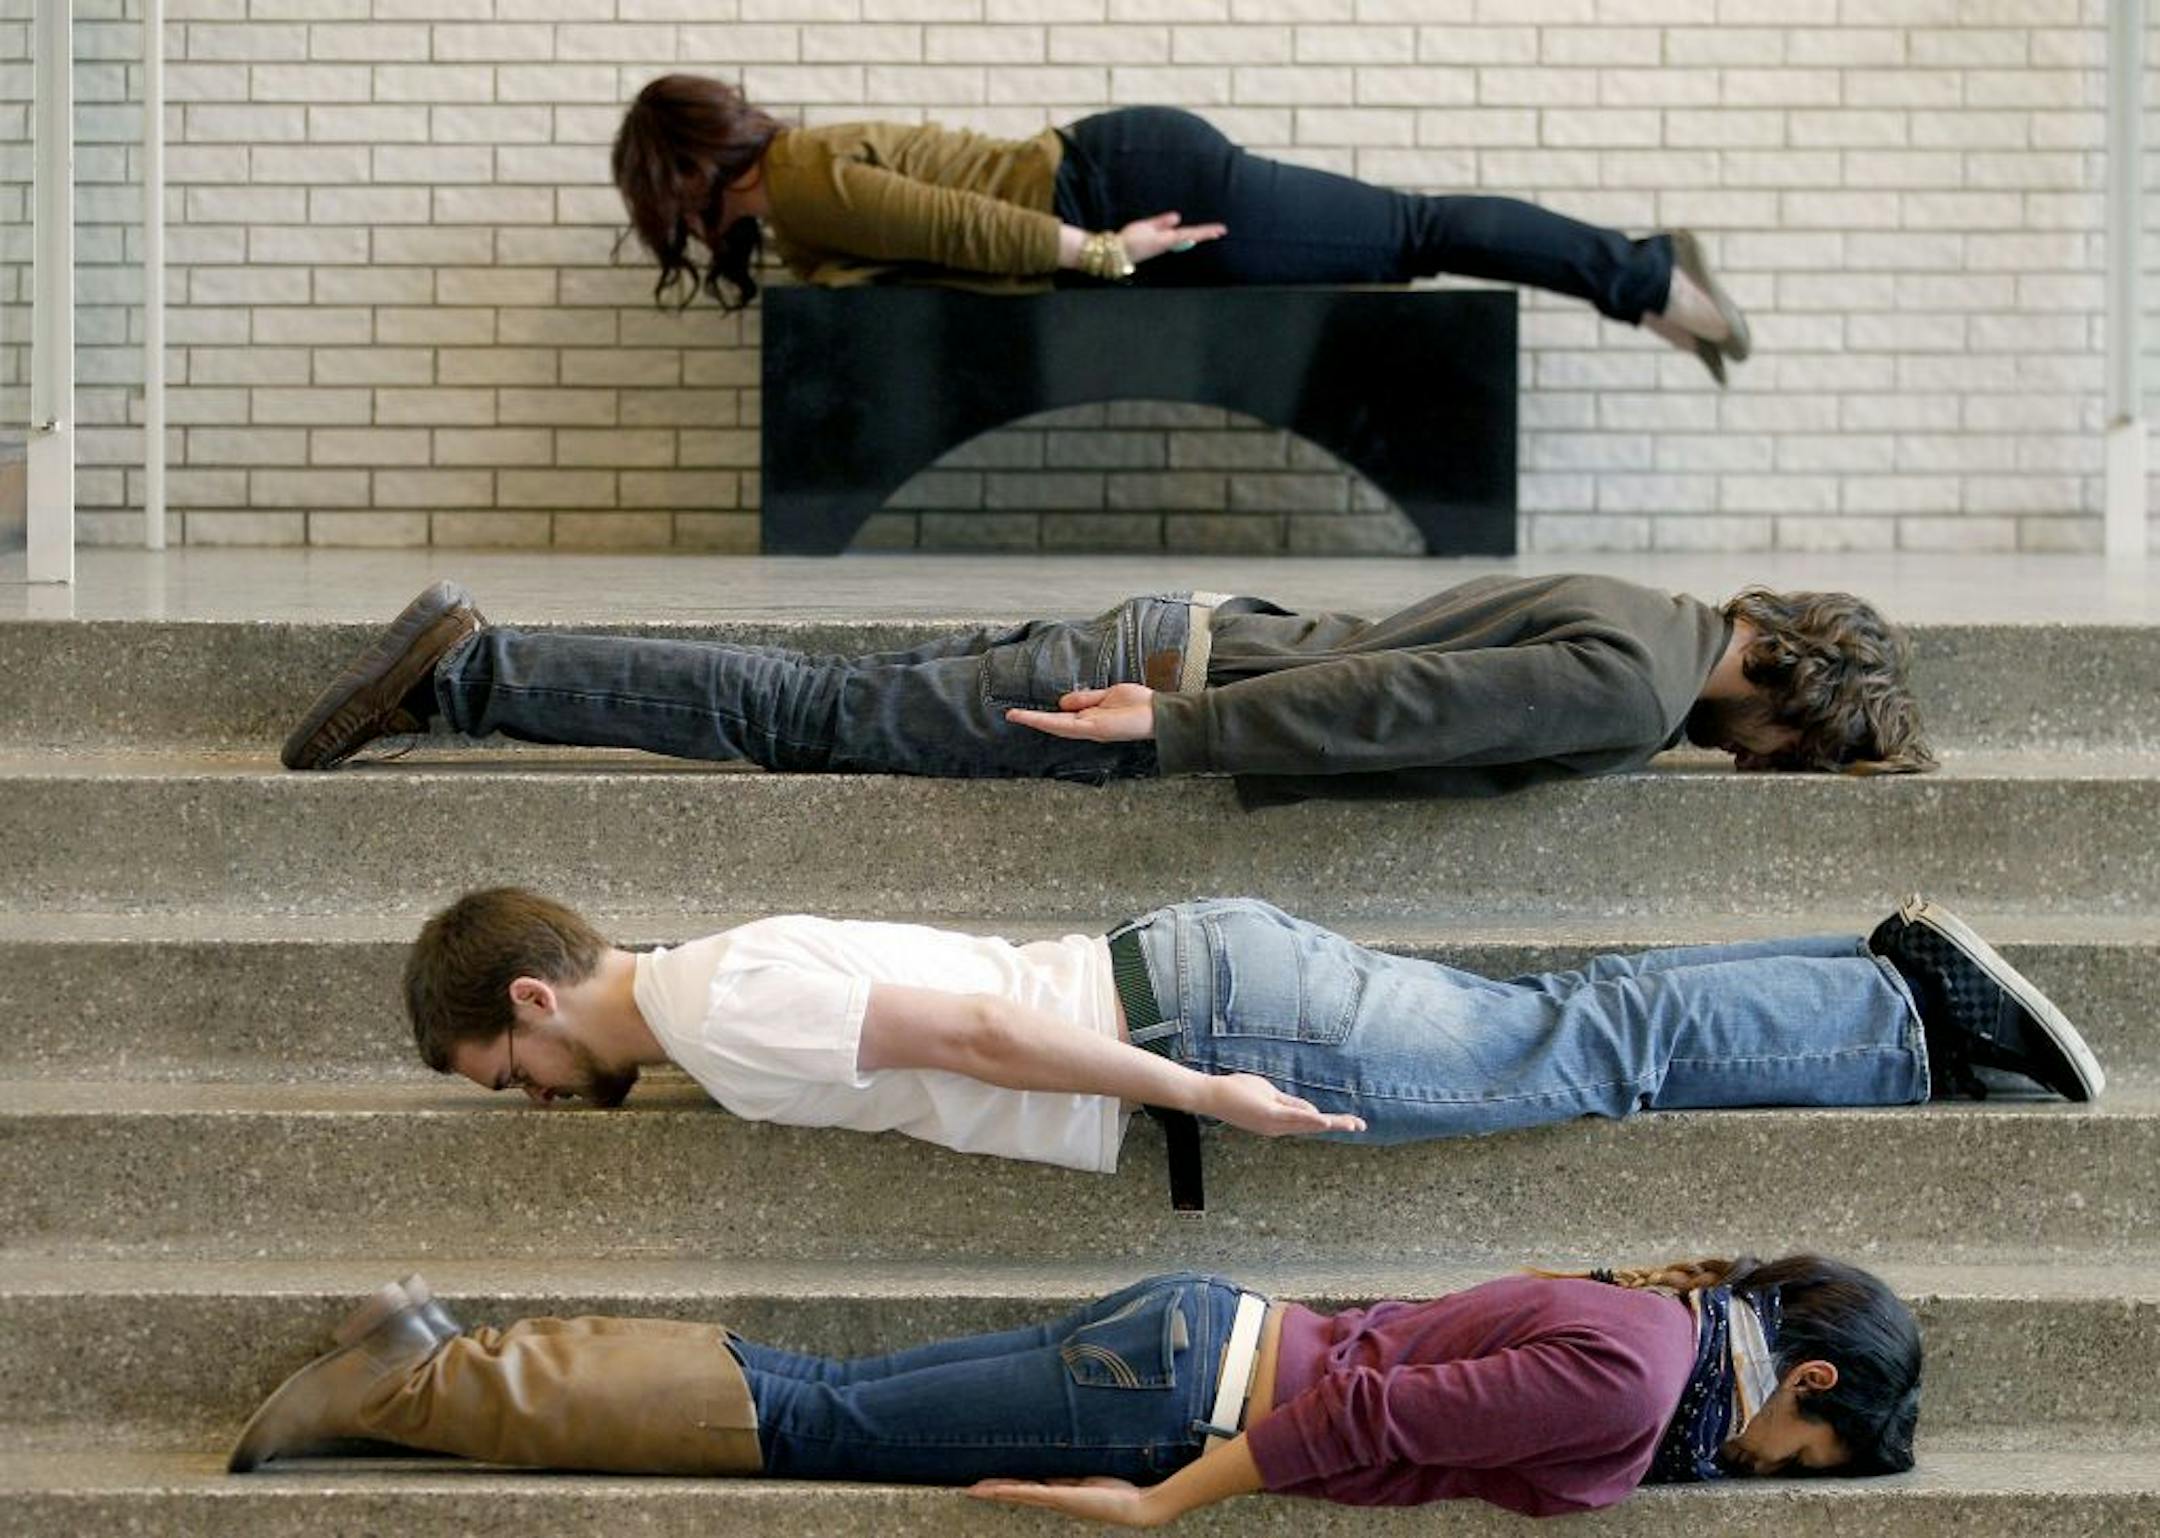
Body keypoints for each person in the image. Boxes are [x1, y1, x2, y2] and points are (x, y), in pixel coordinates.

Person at [401, 886, 2102, 1189]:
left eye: (507, 1074)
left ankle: (1904, 1010)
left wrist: (1193, 1088)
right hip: (1199, 973)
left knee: (1583, 1047)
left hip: (1205, 1015)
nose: (534, 1098)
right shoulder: (716, 975)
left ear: (533, 1001)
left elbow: (984, 1032)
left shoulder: (715, 1013)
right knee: (1564, 1018)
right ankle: (1874, 977)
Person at [227, 1252, 1922, 1524]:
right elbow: (1369, 1420)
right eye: (1800, 1453)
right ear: (1809, 1374)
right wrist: (1167, 1501)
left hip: (1193, 1333)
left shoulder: (1649, 1320)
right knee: (811, 1418)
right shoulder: (1636, 1383)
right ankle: (411, 1387)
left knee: (820, 1390)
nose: (1762, 1471)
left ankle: (450, 1355)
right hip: (1174, 1401)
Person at [277, 574, 1935, 804]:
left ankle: (472, 669)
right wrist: (1182, 727)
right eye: (1794, 753)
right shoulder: (1633, 688)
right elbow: (1403, 708)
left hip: (1182, 635)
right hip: (1164, 683)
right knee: (807, 718)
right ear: (1795, 699)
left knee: (818, 696)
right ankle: (469, 674)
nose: (1763, 769)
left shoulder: (1646, 612)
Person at [611, 77, 1751, 386]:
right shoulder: (799, 194)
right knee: (1408, 239)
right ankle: (1643, 283)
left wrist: (1107, 252)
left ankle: (1647, 274)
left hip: (1123, 190)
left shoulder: (797, 178)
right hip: (1113, 179)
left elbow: (959, 225)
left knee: (1412, 231)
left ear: (681, 178)